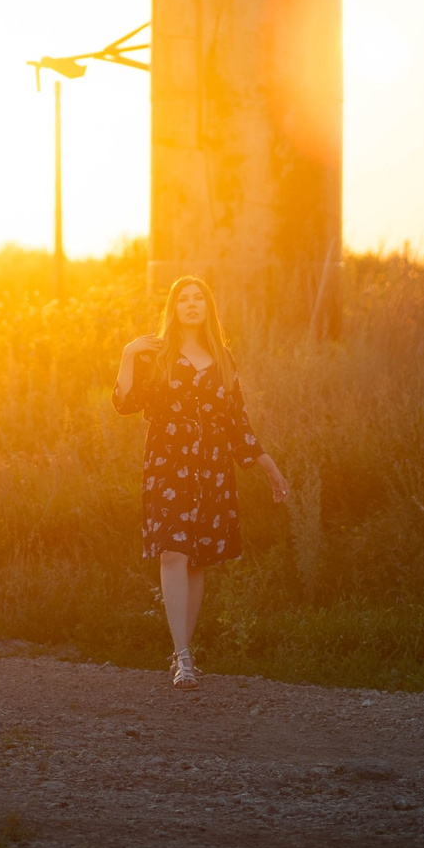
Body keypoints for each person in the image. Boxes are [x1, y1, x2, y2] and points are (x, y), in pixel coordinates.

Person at [113, 276, 289, 690]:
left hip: (211, 467)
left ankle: (181, 653)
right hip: (168, 464)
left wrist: (268, 466)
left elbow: (237, 423)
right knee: (172, 552)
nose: (191, 304)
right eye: (183, 299)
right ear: (173, 309)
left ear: (208, 308)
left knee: (197, 560)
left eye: (198, 299)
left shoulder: (223, 358)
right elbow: (125, 403)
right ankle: (184, 657)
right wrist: (127, 354)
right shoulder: (156, 355)